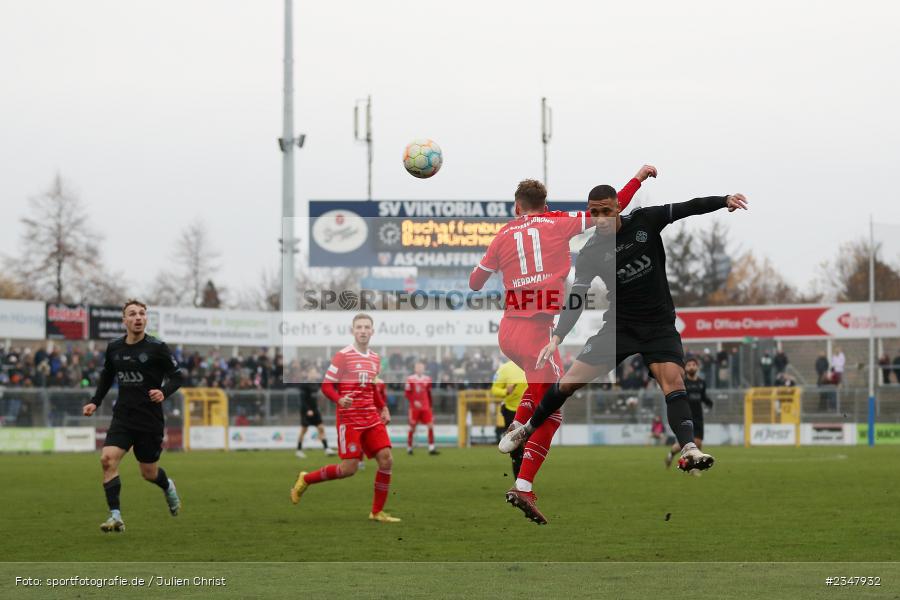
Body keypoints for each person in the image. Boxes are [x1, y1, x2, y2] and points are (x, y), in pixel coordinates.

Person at [500, 183, 749, 505]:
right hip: (619, 328)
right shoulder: (590, 252)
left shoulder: (645, 221)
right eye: (595, 213)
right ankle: (526, 428)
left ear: (618, 207)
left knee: (674, 382)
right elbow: (576, 297)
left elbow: (686, 206)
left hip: (659, 327)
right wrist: (559, 334)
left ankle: (689, 447)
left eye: (607, 210)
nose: (601, 218)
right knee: (567, 384)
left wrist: (723, 201)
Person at [470, 165, 652, 524]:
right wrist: (639, 178)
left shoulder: (504, 233)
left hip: (509, 332)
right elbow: (609, 213)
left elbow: (475, 283)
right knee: (552, 412)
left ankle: (516, 429)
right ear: (544, 203)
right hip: (537, 334)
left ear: (517, 207)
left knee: (541, 394)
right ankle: (523, 484)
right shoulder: (559, 222)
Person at [82, 299, 184, 533]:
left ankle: (168, 486)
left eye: (141, 314)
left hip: (149, 419)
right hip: (123, 417)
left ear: (146, 319)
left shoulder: (158, 348)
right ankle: (115, 516)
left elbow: (177, 377)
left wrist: (163, 391)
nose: (138, 317)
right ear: (124, 320)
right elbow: (107, 377)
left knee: (149, 473)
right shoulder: (115, 348)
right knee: (107, 460)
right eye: (132, 314)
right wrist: (94, 402)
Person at [289, 313, 400, 523]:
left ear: (372, 331)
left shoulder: (375, 359)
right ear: (353, 331)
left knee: (386, 460)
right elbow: (326, 386)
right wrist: (340, 400)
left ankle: (377, 512)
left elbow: (372, 388)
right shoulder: (343, 356)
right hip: (349, 420)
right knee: (348, 469)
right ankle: (306, 479)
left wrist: (383, 407)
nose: (363, 331)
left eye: (367, 327)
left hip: (371, 417)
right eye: (359, 327)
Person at [665, 357, 712, 469]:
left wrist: (708, 402)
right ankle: (673, 455)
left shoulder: (701, 383)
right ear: (685, 368)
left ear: (697, 367)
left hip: (699, 416)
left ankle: (694, 464)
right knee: (690, 442)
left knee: (699, 443)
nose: (691, 367)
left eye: (693, 365)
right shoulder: (683, 383)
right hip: (687, 415)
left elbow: (703, 397)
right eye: (689, 365)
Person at [491, 359, 529, 476]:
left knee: (529, 449)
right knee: (516, 450)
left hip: (531, 411)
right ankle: (519, 484)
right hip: (512, 412)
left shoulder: (533, 365)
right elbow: (494, 389)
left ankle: (525, 482)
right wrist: (505, 391)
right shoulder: (505, 369)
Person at [295, 365, 336, 459]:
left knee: (321, 428)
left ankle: (326, 449)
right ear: (309, 374)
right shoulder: (304, 385)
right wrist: (308, 410)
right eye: (313, 372)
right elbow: (302, 400)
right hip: (306, 411)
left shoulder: (316, 384)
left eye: (315, 372)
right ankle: (299, 450)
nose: (314, 374)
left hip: (315, 410)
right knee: (303, 430)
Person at [405, 362, 438, 455]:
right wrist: (414, 401)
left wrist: (430, 406)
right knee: (412, 427)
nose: (420, 369)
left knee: (431, 425)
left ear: (424, 369)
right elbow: (407, 393)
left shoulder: (428, 379)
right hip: (414, 408)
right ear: (415, 369)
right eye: (418, 367)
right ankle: (409, 447)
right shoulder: (410, 379)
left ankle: (431, 448)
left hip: (426, 406)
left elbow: (429, 393)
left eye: (421, 368)